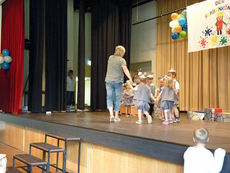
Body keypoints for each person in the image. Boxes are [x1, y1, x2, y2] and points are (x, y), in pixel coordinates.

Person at [105, 45, 133, 122]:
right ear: (122, 52)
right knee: (117, 98)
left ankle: (111, 115)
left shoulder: (110, 58)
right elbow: (125, 69)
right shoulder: (122, 60)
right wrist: (130, 78)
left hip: (109, 80)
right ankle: (116, 116)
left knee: (109, 97)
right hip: (118, 81)